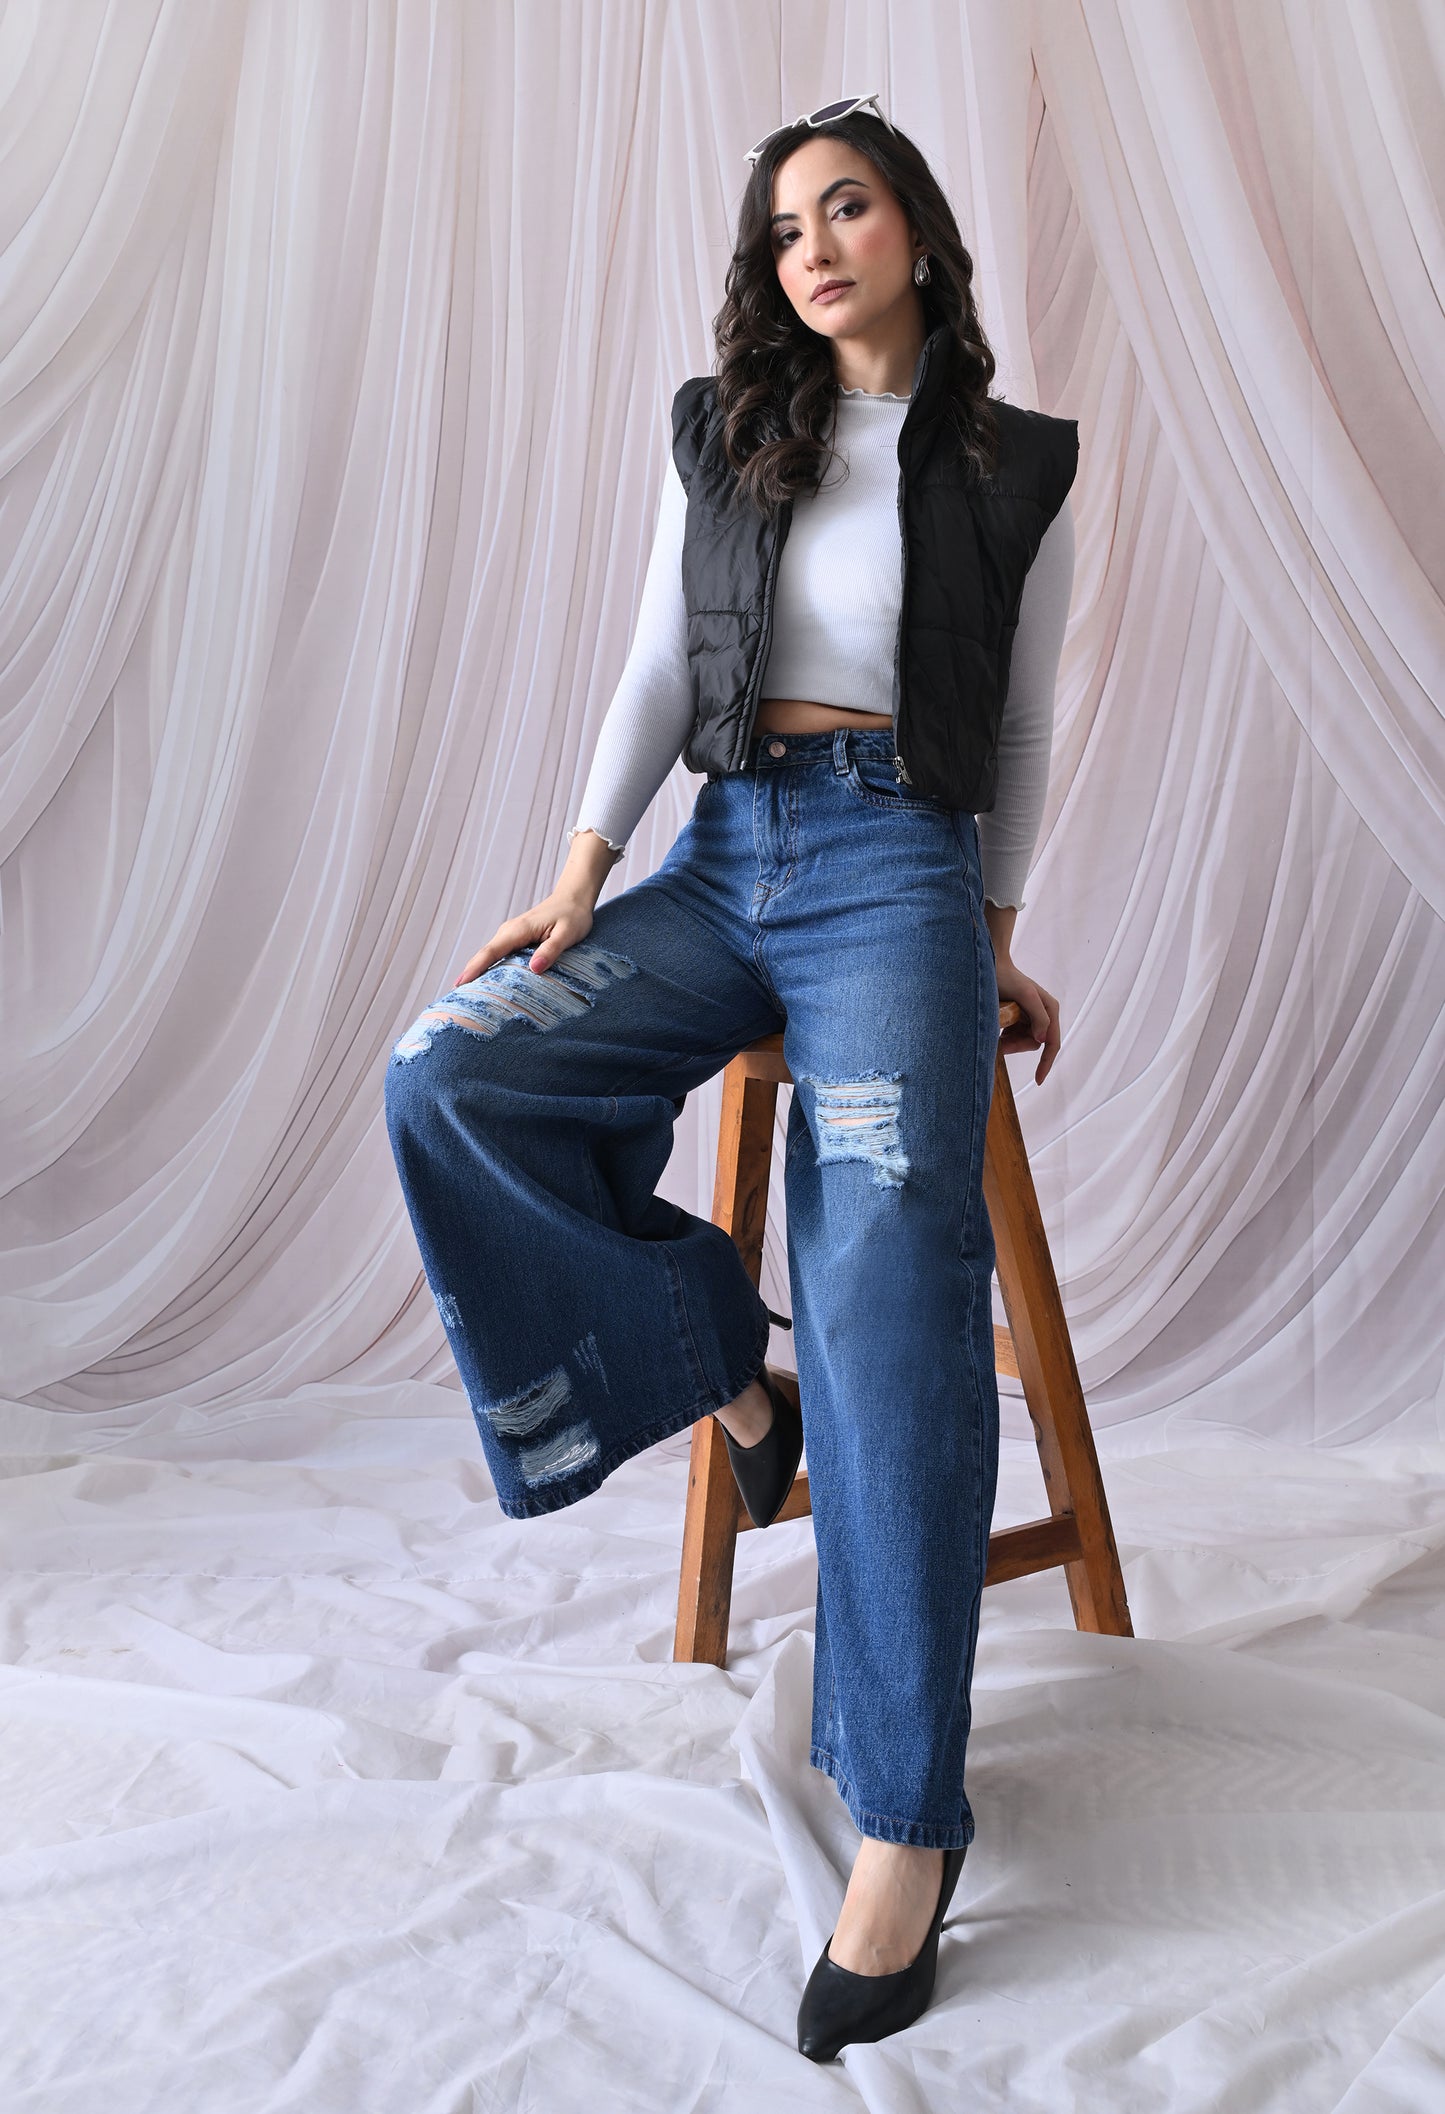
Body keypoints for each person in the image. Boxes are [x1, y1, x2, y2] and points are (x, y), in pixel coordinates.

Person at [384, 92, 1076, 2062]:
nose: (815, 248)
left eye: (847, 209)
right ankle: (722, 1364)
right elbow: (650, 670)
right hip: (720, 854)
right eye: (786, 229)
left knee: (890, 1273)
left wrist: (995, 924)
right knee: (448, 1075)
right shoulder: (726, 431)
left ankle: (910, 1816)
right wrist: (576, 877)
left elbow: (1021, 717)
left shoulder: (1021, 464)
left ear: (917, 233)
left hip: (895, 877)